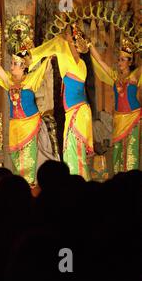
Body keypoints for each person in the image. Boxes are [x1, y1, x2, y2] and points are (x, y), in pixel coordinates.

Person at [0, 40, 59, 184]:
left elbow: (44, 66)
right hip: (15, 126)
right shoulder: (8, 80)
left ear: (23, 66)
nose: (11, 66)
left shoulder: (31, 79)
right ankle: (23, 182)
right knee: (16, 156)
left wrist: (51, 56)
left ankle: (28, 185)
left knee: (29, 157)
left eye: (14, 64)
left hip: (30, 123)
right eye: (12, 63)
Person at [28, 23, 94, 180]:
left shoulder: (73, 62)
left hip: (77, 113)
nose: (70, 42)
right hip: (78, 112)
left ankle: (79, 190)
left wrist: (68, 29)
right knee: (73, 153)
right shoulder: (80, 64)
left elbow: (63, 42)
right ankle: (80, 187)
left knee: (74, 153)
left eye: (73, 41)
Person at [90, 38, 141, 173]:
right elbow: (100, 62)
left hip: (133, 117)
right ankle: (120, 180)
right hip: (119, 118)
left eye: (124, 59)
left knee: (131, 151)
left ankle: (132, 181)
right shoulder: (115, 77)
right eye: (119, 59)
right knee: (117, 150)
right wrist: (89, 44)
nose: (120, 62)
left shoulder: (135, 75)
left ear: (130, 61)